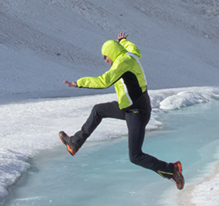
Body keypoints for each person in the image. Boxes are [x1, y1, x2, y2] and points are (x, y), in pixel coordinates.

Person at [61, 32, 183, 189]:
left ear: (112, 53)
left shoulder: (123, 63)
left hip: (137, 112)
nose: (105, 60)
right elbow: (133, 48)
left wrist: (79, 83)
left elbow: (104, 81)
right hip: (127, 107)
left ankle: (173, 170)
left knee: (135, 156)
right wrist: (123, 41)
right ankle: (75, 143)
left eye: (105, 56)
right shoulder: (130, 54)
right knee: (98, 110)